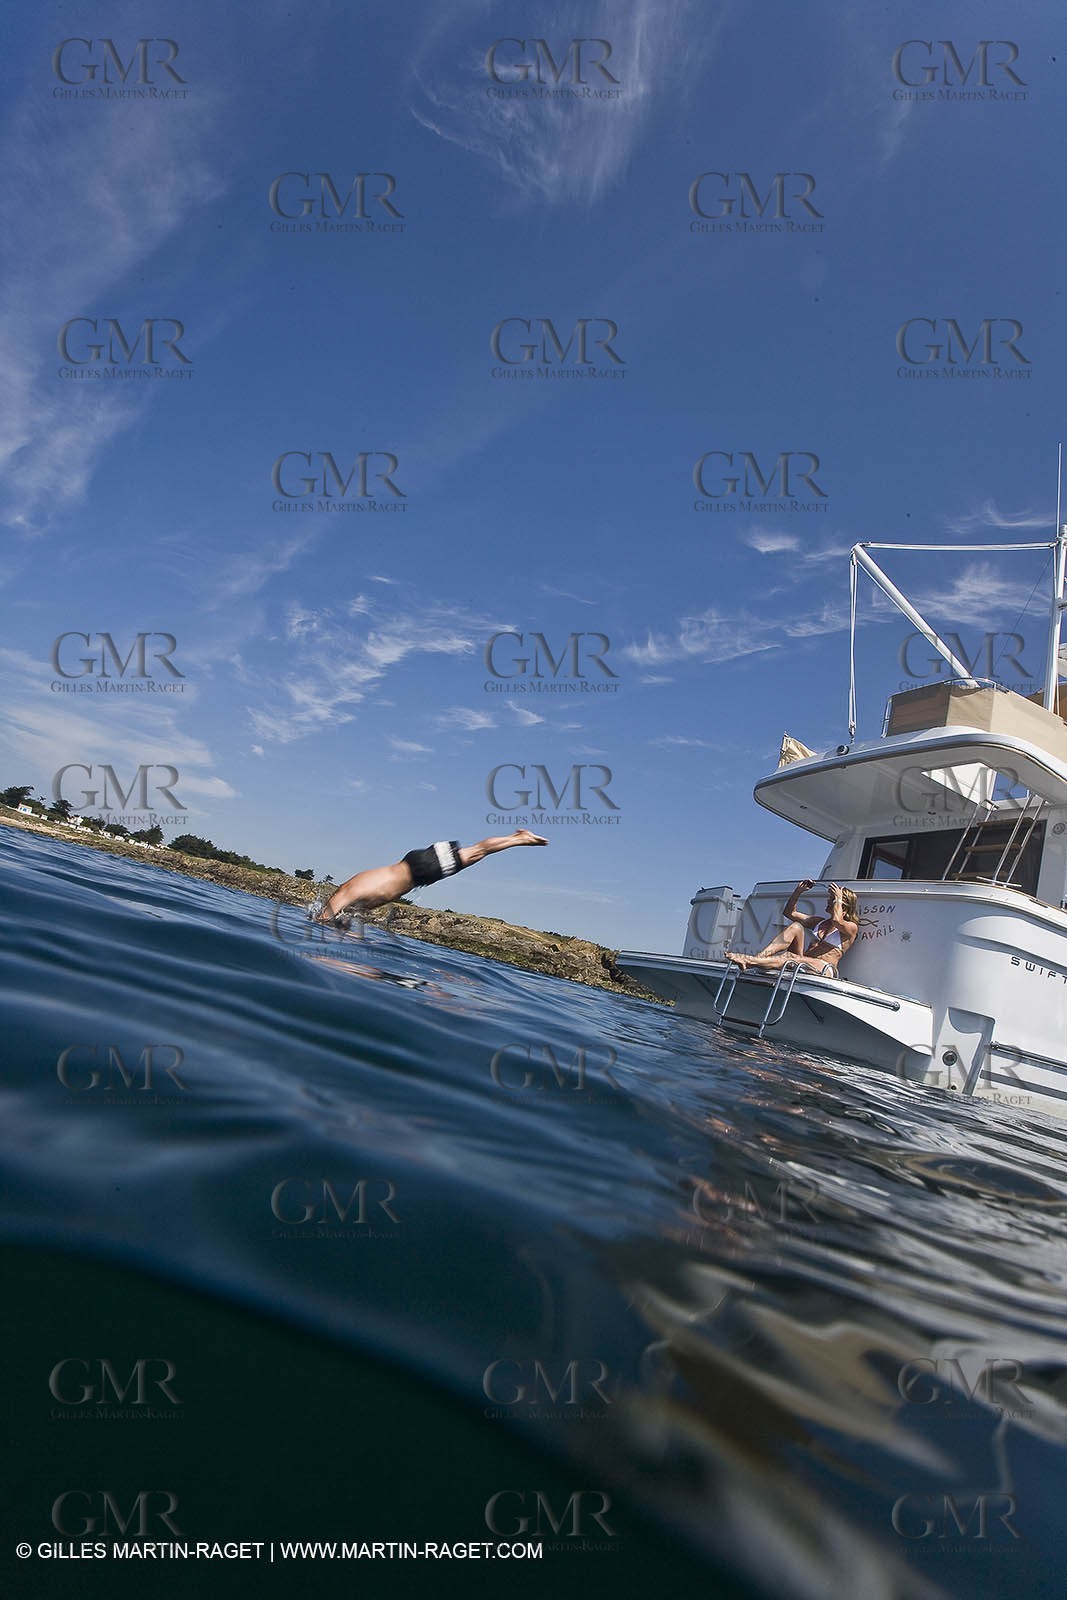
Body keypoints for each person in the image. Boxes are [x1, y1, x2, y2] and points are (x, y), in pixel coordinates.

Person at [312, 829, 547, 928]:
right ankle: (517, 837)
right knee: (475, 851)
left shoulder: (347, 893)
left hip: (421, 870)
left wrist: (321, 922)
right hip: (412, 863)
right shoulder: (352, 891)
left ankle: (519, 838)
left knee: (476, 853)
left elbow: (324, 918)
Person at [725, 879, 858, 978]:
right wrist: (798, 891)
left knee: (791, 958)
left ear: (844, 906)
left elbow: (837, 920)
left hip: (825, 968)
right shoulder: (819, 922)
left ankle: (749, 961)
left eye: (832, 900)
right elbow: (789, 913)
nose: (829, 902)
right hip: (803, 962)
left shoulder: (851, 928)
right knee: (796, 927)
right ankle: (759, 958)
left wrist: (838, 898)